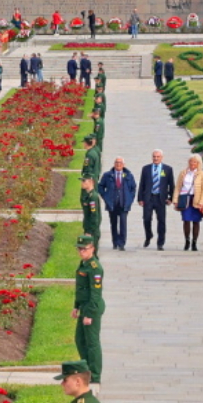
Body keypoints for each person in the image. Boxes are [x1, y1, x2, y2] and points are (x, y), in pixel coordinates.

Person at [72, 234, 104, 386]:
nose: (81, 252)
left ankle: (95, 374)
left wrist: (89, 314)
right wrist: (76, 306)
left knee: (92, 343)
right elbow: (81, 289)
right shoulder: (83, 264)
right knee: (80, 339)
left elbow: (95, 293)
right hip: (84, 305)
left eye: (84, 249)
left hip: (92, 307)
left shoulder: (94, 268)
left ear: (92, 249)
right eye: (79, 249)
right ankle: (87, 369)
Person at [137, 150, 174, 250]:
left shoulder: (168, 169)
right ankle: (148, 235)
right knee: (146, 219)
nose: (156, 158)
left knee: (161, 221)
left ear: (162, 157)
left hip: (161, 198)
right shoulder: (146, 169)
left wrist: (171, 198)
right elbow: (142, 184)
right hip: (148, 197)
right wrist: (140, 198)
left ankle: (160, 243)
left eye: (158, 156)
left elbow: (171, 184)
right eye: (154, 156)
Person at [97, 157, 136, 251]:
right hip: (112, 203)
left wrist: (130, 199)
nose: (118, 165)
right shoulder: (108, 175)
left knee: (123, 223)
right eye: (117, 163)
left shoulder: (128, 175)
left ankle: (122, 243)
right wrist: (106, 197)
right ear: (114, 164)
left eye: (120, 163)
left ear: (123, 164)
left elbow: (133, 188)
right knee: (113, 224)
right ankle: (115, 242)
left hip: (123, 203)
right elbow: (100, 186)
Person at [177, 153, 203, 251]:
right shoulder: (183, 172)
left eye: (195, 162)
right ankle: (187, 241)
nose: (192, 163)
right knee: (186, 220)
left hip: (196, 199)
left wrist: (201, 202)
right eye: (191, 161)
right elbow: (178, 187)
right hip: (185, 198)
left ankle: (194, 242)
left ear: (198, 163)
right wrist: (175, 200)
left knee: (196, 221)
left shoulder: (202, 174)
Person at [79, 176, 101, 245]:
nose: (82, 183)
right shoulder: (89, 195)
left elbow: (94, 215)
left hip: (92, 230)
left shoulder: (93, 197)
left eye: (84, 181)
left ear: (91, 182)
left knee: (91, 252)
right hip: (88, 227)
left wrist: (90, 232)